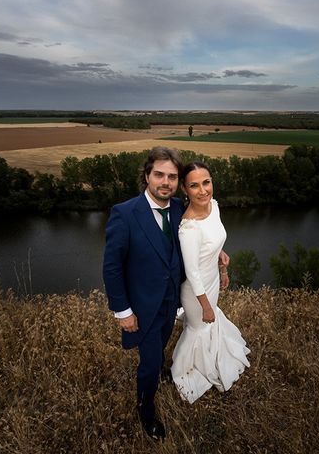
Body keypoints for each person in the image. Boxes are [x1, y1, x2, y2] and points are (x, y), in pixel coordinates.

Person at [102, 147, 228, 440]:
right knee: (147, 363)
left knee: (161, 347)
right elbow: (112, 268)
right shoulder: (125, 214)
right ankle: (146, 412)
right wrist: (123, 312)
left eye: (172, 176)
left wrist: (219, 253)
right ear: (147, 176)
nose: (166, 182)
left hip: (172, 301)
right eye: (159, 174)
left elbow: (192, 245)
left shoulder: (176, 209)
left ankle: (161, 371)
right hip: (142, 307)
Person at [171, 161, 250, 404]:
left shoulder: (213, 206)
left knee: (210, 322)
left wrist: (220, 256)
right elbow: (192, 273)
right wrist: (205, 306)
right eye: (194, 186)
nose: (203, 190)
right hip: (196, 291)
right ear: (185, 189)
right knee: (199, 327)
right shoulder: (189, 228)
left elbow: (214, 237)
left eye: (206, 182)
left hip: (213, 278)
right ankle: (188, 369)